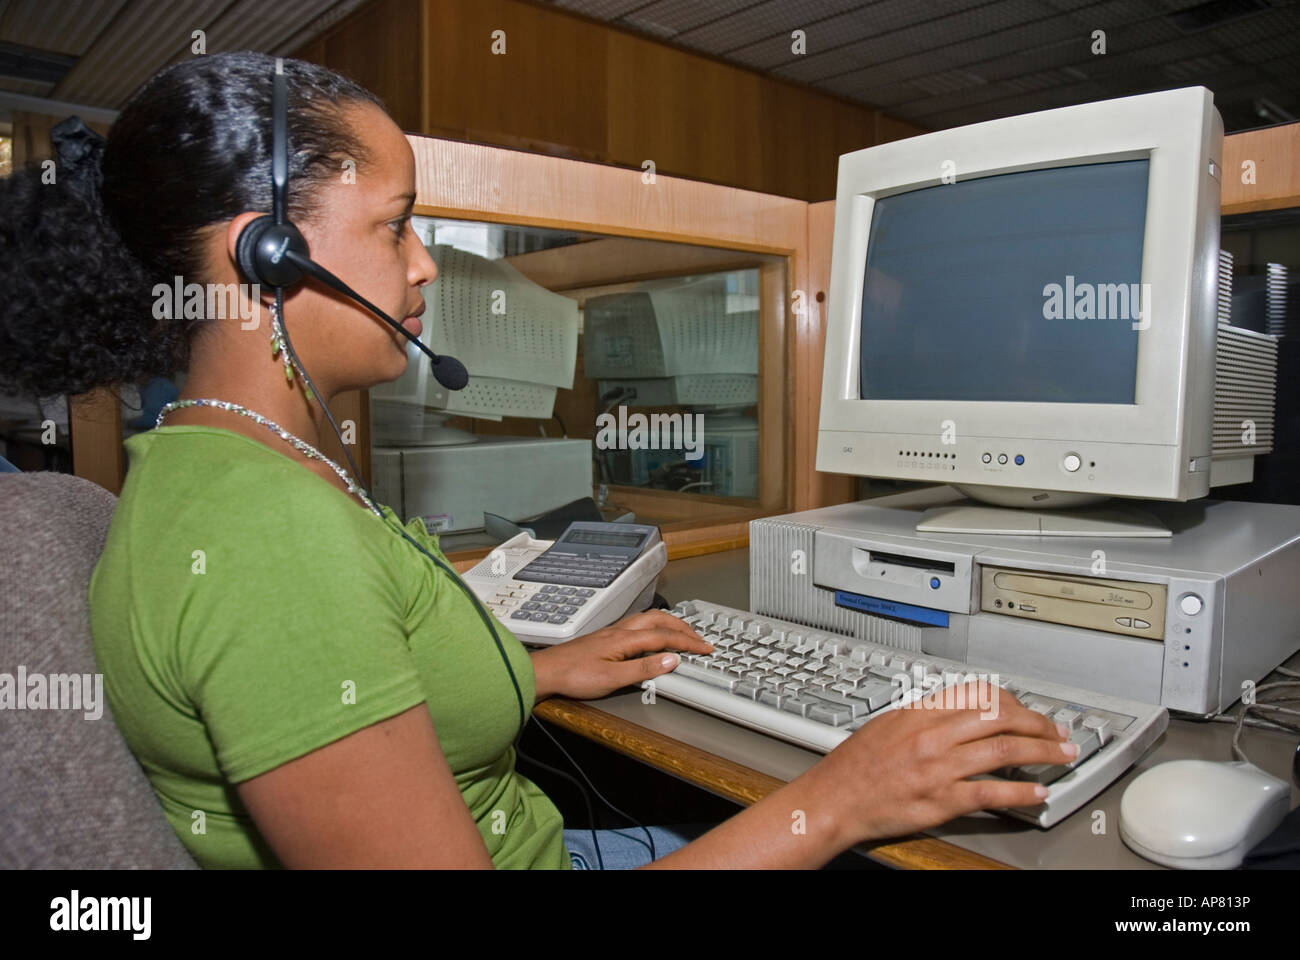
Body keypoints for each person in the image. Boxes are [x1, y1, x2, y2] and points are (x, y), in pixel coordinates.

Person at [0, 51, 1076, 869]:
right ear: (268, 255)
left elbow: (353, 663)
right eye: (397, 226)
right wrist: (842, 798)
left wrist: (533, 667)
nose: (424, 266)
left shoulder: (221, 460)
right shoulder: (262, 534)